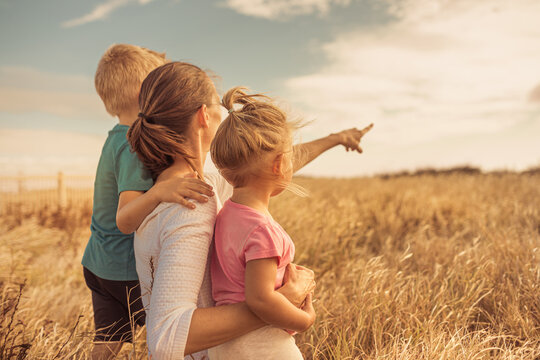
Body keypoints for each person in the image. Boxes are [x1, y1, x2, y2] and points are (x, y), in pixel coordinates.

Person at [126, 61, 372, 359]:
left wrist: (335, 139)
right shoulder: (193, 204)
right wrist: (283, 300)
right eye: (218, 104)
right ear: (205, 116)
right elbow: (166, 338)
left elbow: (268, 161)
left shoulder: (178, 191)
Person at [82, 45, 214, 360]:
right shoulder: (131, 146)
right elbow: (125, 219)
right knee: (171, 334)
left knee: (107, 344)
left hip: (100, 263)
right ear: (146, 91)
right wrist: (159, 192)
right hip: (123, 271)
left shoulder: (115, 136)